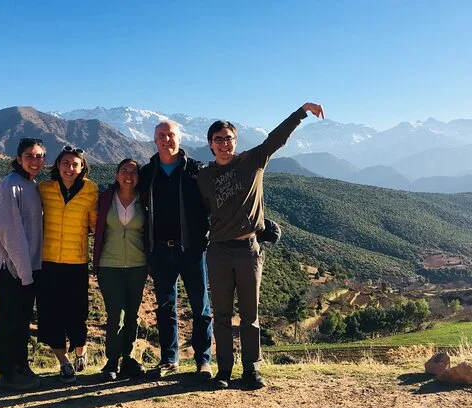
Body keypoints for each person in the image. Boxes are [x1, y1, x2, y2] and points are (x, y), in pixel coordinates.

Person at [198, 102, 325, 389]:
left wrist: (301, 112)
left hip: (248, 250)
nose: (224, 144)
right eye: (218, 139)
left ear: (235, 141)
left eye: (228, 138)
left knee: (250, 315)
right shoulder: (204, 177)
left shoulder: (252, 160)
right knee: (221, 315)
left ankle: (251, 369)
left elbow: (276, 139)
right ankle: (223, 371)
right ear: (210, 144)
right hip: (218, 251)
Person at [138, 120, 213, 378]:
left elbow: (216, 202)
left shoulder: (195, 170)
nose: (166, 139)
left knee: (200, 307)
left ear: (179, 139)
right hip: (160, 251)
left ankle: (203, 360)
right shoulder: (148, 173)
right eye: (161, 135)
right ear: (154, 140)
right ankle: (169, 359)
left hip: (192, 250)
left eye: (170, 135)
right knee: (165, 307)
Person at [0, 137, 46, 391]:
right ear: (19, 158)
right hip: (12, 269)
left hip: (28, 268)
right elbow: (11, 233)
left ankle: (21, 366)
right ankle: (8, 374)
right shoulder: (10, 185)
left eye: (39, 156)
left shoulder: (31, 185)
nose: (35, 161)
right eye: (29, 156)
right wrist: (24, 273)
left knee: (22, 321)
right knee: (10, 321)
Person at [38, 145, 98, 383]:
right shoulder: (44, 189)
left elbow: (94, 224)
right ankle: (64, 363)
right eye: (65, 163)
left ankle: (80, 351)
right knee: (50, 314)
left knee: (77, 313)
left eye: (75, 164)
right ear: (58, 165)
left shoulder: (90, 190)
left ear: (82, 168)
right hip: (48, 261)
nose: (70, 168)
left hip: (76, 261)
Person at [93, 159, 148, 381]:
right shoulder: (106, 198)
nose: (128, 175)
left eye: (133, 172)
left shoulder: (144, 200)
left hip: (138, 264)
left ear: (139, 177)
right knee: (116, 314)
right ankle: (112, 360)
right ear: (116, 175)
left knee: (133, 314)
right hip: (109, 264)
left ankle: (129, 358)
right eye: (124, 171)